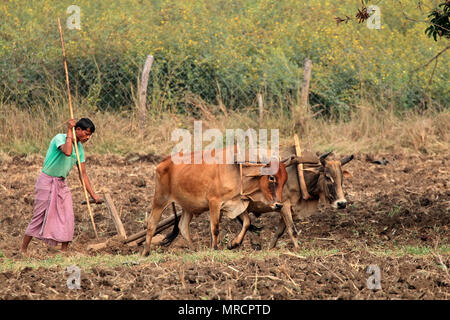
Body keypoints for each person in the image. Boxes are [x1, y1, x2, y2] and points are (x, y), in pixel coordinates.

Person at [21, 118, 102, 254]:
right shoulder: (60, 138)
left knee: (67, 215)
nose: (88, 137)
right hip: (46, 181)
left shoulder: (80, 149)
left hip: (61, 182)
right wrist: (69, 130)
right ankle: (23, 250)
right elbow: (67, 151)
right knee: (39, 215)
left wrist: (93, 195)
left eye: (90, 135)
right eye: (86, 134)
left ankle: (64, 251)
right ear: (78, 130)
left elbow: (83, 174)